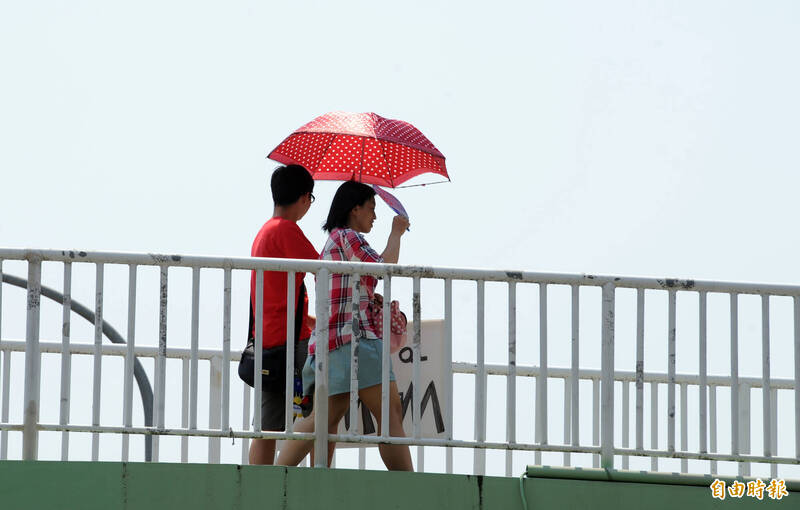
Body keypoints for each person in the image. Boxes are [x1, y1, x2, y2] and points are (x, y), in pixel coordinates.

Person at [277, 180, 413, 471]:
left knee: (322, 419)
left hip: (332, 344)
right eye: (371, 208)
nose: (374, 216)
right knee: (390, 415)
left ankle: (280, 476)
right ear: (355, 209)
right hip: (356, 341)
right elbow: (384, 268)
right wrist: (396, 232)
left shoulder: (334, 240)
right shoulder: (349, 237)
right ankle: (408, 486)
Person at [248, 164, 318, 465]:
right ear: (303, 198)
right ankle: (311, 473)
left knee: (268, 426)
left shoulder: (266, 231)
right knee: (320, 410)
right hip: (290, 340)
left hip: (269, 336)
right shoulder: (287, 230)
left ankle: (258, 484)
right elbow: (323, 267)